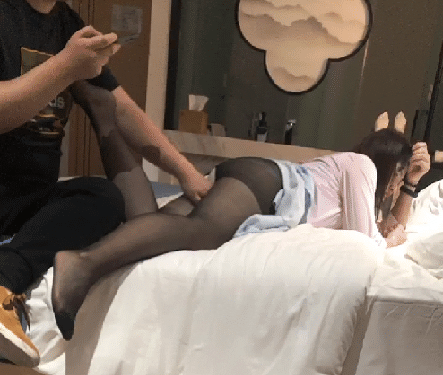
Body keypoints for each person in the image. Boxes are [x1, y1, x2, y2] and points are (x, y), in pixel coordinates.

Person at [51, 116, 431, 338]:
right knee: (205, 232)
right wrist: (390, 239)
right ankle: (81, 264)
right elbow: (367, 239)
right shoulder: (362, 165)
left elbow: (384, 225)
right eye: (399, 176)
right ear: (389, 166)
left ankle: (108, 127)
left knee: (150, 224)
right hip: (269, 184)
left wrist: (412, 185)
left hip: (258, 178)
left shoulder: (350, 172)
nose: (396, 187)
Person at [0, 0, 210, 367]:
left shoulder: (66, 23)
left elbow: (122, 109)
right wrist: (65, 66)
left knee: (103, 196)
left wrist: (185, 172)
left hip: (33, 198)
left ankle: (3, 279)